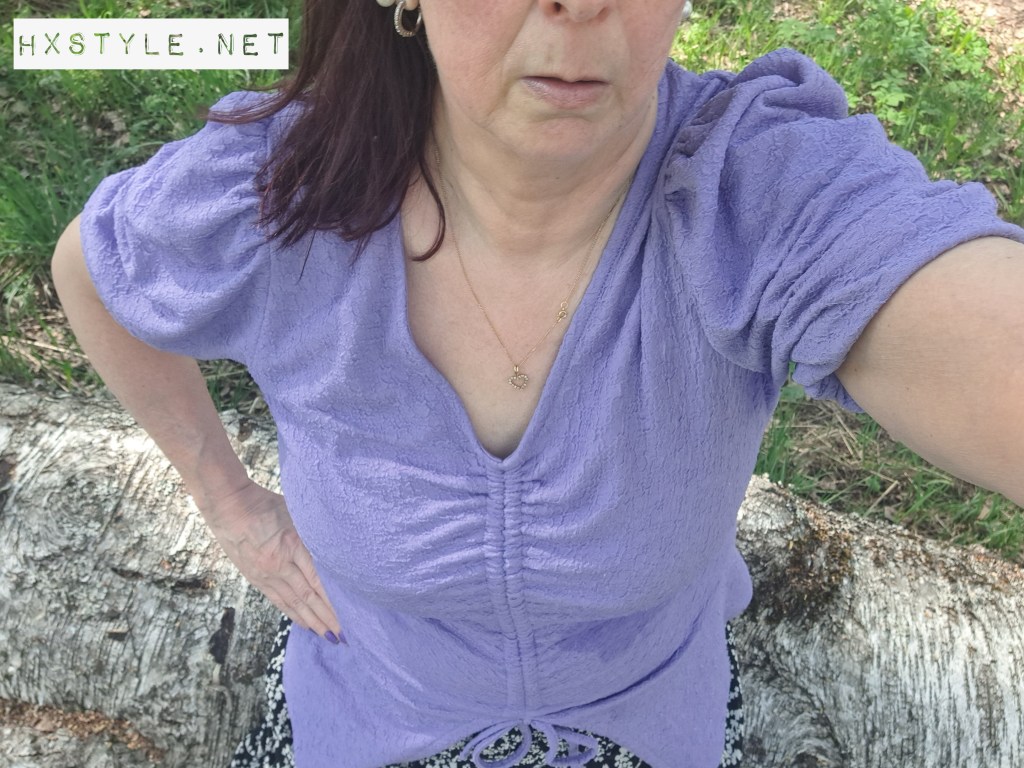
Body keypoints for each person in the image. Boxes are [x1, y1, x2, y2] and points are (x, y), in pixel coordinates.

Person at [50, 0, 1024, 766]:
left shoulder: (758, 193)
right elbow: (90, 271)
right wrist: (230, 505)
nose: (582, 4)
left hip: (656, 726)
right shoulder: (279, 194)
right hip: (362, 722)